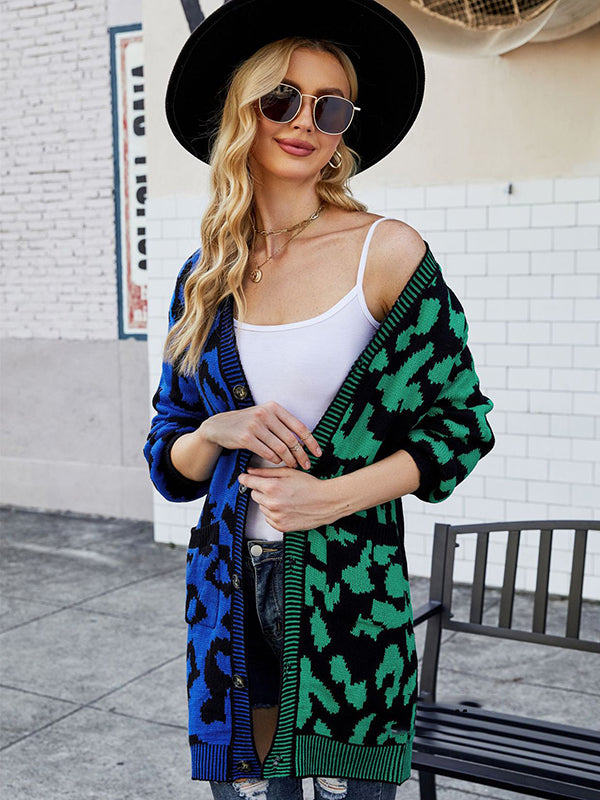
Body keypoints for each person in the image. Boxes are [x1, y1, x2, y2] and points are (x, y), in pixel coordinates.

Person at [144, 1, 495, 798]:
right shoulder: (206, 276)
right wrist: (219, 429)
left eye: (330, 106)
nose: (305, 120)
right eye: (282, 98)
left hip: (351, 596)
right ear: (244, 109)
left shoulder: (387, 252)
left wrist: (330, 497)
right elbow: (169, 457)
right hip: (227, 593)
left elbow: (460, 427)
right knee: (250, 787)